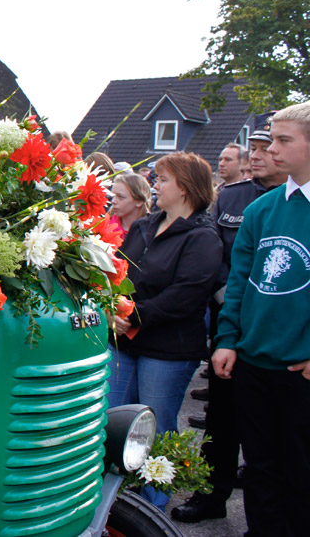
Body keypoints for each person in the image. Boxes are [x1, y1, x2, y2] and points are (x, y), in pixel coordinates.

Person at [173, 115, 285, 523]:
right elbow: (215, 255)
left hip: (276, 331)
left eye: (265, 148)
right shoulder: (233, 197)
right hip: (229, 323)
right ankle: (210, 496)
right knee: (221, 422)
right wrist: (229, 302)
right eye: (253, 149)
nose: (258, 156)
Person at [211, 101, 310, 537]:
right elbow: (239, 283)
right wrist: (227, 339)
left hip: (301, 369)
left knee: (302, 472)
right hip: (253, 363)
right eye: (272, 138)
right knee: (260, 468)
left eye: (285, 140)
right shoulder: (261, 210)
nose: (272, 149)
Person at [108, 152, 221, 511]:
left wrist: (135, 315)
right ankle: (113, 502)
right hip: (124, 341)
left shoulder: (203, 237)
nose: (156, 184)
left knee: (153, 431)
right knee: (111, 422)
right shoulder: (143, 227)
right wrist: (115, 307)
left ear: (186, 188)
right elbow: (119, 272)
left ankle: (151, 509)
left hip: (167, 349)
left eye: (164, 179)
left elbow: (187, 294)